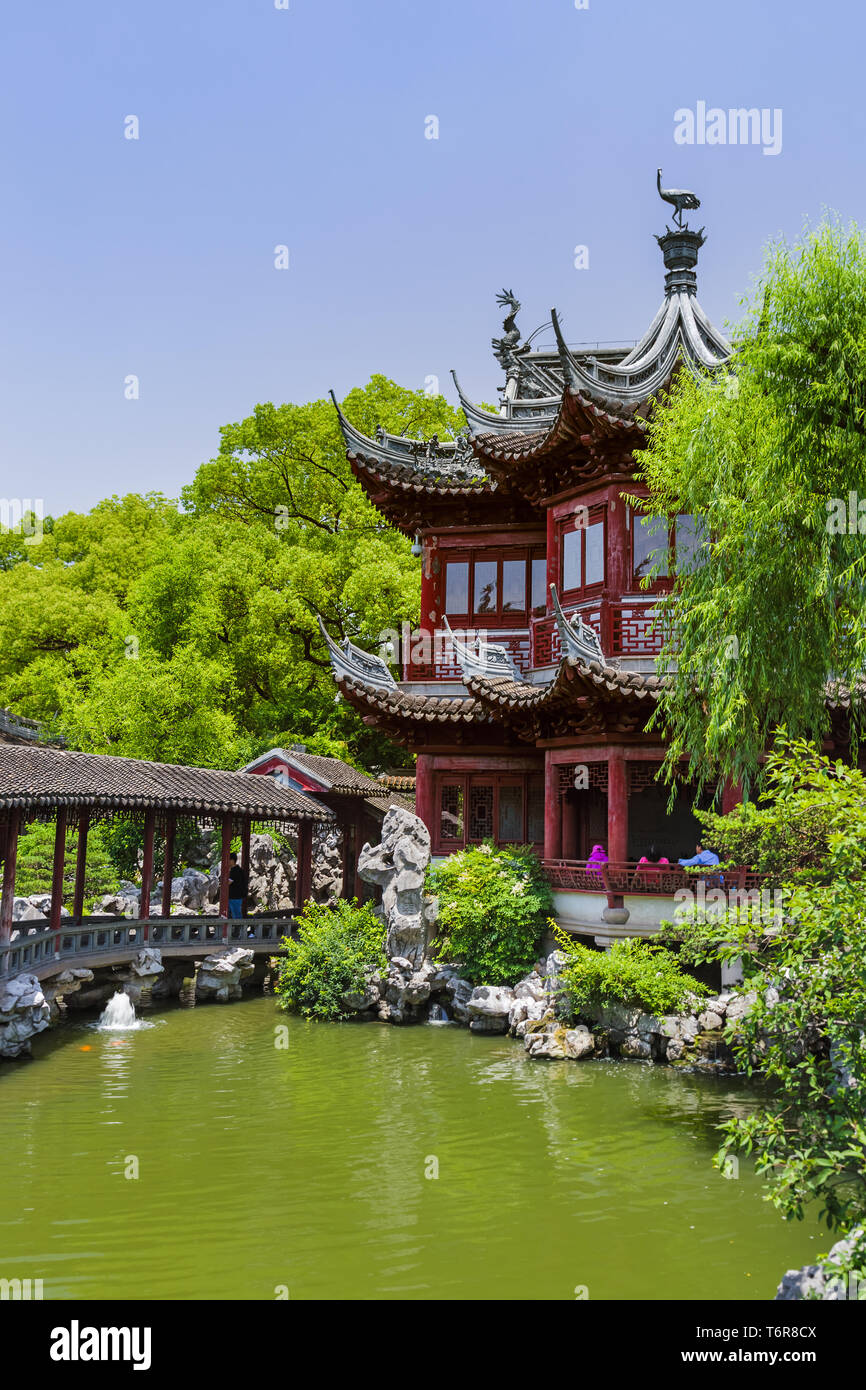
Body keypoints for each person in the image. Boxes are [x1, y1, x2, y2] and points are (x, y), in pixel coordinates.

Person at [227, 852, 248, 919]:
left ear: (232, 860)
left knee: (236, 915)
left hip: (234, 896)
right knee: (234, 914)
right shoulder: (239, 870)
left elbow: (228, 882)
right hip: (237, 896)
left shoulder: (234, 871)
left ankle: (238, 929)